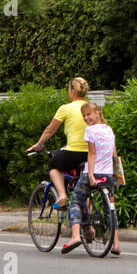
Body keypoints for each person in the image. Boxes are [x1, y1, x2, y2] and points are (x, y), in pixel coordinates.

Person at [61, 101, 121, 256]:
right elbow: (114, 154)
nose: (86, 118)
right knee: (110, 208)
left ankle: (75, 237)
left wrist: (92, 175)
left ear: (97, 113)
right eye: (84, 116)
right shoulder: (109, 130)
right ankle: (115, 244)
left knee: (75, 200)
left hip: (92, 173)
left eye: (88, 114)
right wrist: (117, 175)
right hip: (108, 174)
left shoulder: (90, 131)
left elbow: (92, 153)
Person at [27, 77, 90, 209]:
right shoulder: (91, 108)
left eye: (68, 89)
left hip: (74, 151)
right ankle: (88, 224)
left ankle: (62, 196)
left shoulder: (66, 108)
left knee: (54, 165)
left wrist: (38, 145)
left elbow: (50, 130)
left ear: (72, 91)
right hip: (91, 153)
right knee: (85, 187)